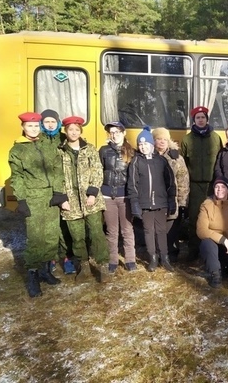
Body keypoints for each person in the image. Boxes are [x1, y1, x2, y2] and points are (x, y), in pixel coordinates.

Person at [9, 112, 69, 297]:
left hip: (51, 196)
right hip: (33, 197)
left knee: (51, 236)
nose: (34, 129)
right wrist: (21, 200)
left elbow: (57, 168)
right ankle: (33, 277)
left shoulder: (47, 143)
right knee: (36, 238)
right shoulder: (18, 150)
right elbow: (17, 177)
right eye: (30, 126)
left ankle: (45, 272)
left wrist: (59, 193)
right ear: (23, 127)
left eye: (36, 126)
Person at [59, 116, 110, 283]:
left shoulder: (89, 149)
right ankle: (84, 266)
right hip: (70, 202)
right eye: (70, 130)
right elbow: (55, 176)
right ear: (65, 132)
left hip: (91, 200)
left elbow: (97, 171)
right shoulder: (60, 151)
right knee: (77, 237)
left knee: (96, 233)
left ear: (80, 131)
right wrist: (62, 198)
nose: (73, 132)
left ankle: (102, 265)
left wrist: (93, 193)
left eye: (76, 130)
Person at [128, 127, 177, 272]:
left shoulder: (161, 161)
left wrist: (171, 200)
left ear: (151, 145)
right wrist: (135, 203)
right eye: (141, 145)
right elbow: (132, 184)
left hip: (161, 202)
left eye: (146, 144)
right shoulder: (136, 162)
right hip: (145, 203)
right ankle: (153, 258)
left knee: (161, 230)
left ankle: (165, 257)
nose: (143, 147)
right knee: (148, 230)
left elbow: (170, 182)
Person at [180, 106, 223, 261]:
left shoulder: (216, 138)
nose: (200, 120)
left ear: (207, 119)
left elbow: (220, 160)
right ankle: (194, 250)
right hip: (195, 185)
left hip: (213, 185)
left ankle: (212, 251)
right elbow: (182, 163)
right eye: (197, 117)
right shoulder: (186, 140)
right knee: (195, 217)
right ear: (194, 120)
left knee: (214, 218)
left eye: (203, 117)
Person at [38, 109, 75, 275]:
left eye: (53, 121)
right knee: (50, 229)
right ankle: (51, 258)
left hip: (65, 189)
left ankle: (67, 258)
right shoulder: (38, 140)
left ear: (58, 123)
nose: (50, 124)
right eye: (47, 122)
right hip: (46, 191)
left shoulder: (63, 138)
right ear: (42, 123)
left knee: (65, 226)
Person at [99, 121, 137, 273]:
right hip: (108, 196)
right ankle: (113, 260)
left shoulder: (131, 152)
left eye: (117, 132)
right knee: (112, 230)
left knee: (127, 229)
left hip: (125, 196)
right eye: (112, 132)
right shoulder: (103, 151)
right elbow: (99, 171)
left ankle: (130, 260)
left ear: (124, 133)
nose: (114, 135)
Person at [152, 127, 190, 262]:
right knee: (155, 229)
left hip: (171, 202)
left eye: (164, 139)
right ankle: (156, 254)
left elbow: (183, 182)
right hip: (154, 201)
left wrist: (183, 203)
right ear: (153, 141)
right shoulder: (147, 155)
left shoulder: (176, 158)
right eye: (158, 139)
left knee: (171, 230)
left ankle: (171, 253)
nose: (162, 142)